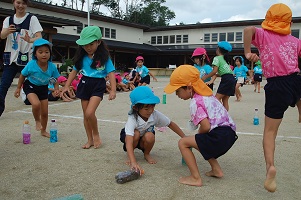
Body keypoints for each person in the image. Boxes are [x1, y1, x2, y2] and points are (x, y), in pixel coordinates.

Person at [243, 3, 301, 192]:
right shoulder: (295, 40)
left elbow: (248, 29)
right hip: (297, 80)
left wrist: (247, 52)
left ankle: (270, 167)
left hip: (277, 85)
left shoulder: (263, 35)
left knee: (270, 132)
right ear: (289, 22)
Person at [164, 65, 237, 187]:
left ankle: (195, 178)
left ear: (188, 87)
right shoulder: (208, 96)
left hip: (219, 137)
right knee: (200, 141)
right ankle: (216, 170)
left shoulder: (195, 102)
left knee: (183, 142)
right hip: (229, 134)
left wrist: (198, 135)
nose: (177, 95)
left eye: (177, 91)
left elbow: (205, 126)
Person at [61, 26, 116, 149]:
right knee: (85, 115)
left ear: (98, 42)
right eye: (85, 45)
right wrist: (66, 86)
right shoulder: (82, 57)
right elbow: (74, 71)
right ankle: (89, 139)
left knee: (90, 112)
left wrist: (113, 90)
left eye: (91, 44)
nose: (88, 47)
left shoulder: (104, 57)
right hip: (84, 84)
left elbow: (111, 73)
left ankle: (96, 134)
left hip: (98, 84)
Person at [120, 86, 186, 173]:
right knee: (135, 134)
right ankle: (130, 155)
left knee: (150, 135)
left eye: (152, 107)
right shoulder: (132, 118)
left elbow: (170, 124)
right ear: (136, 108)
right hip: (132, 138)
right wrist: (133, 162)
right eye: (146, 108)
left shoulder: (155, 114)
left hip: (144, 138)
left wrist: (184, 137)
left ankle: (146, 154)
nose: (150, 111)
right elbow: (129, 140)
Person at [0, 0, 43, 117]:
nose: (21, 6)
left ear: (27, 5)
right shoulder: (8, 20)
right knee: (3, 86)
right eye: (18, 2)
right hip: (11, 59)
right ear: (14, 3)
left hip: (27, 59)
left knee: (35, 84)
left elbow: (39, 37)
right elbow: (2, 35)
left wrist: (30, 40)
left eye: (23, 3)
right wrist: (7, 31)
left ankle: (40, 108)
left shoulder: (32, 19)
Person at [14, 38, 60, 137]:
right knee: (36, 104)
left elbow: (55, 79)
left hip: (43, 88)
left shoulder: (52, 66)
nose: (44, 54)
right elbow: (22, 75)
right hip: (30, 86)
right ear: (35, 54)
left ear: (50, 54)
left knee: (45, 112)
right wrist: (18, 88)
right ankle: (37, 121)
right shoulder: (31, 65)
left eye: (46, 52)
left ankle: (43, 131)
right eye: (40, 52)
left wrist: (56, 89)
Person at [201, 41, 236, 111]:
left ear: (218, 49)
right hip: (232, 79)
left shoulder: (217, 58)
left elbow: (214, 70)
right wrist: (217, 75)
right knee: (225, 100)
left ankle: (220, 114)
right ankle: (225, 116)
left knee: (216, 99)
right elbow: (225, 71)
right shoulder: (225, 59)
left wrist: (205, 77)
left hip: (226, 79)